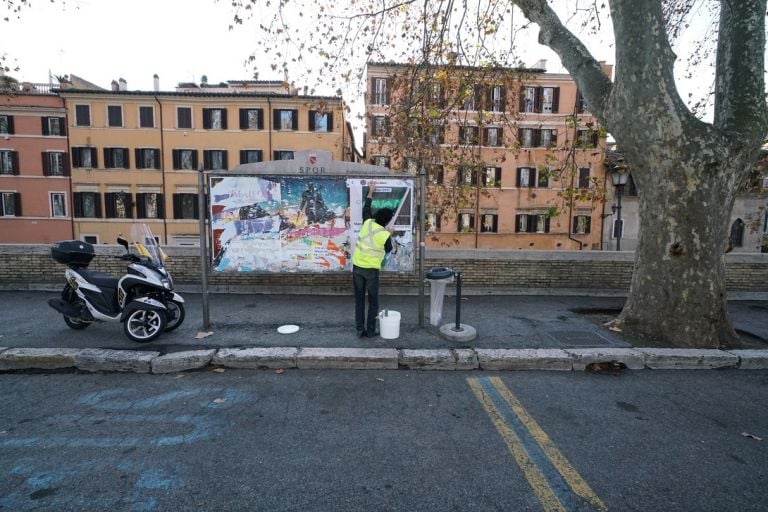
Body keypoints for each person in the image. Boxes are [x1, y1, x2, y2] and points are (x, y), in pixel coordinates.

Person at [352, 181, 394, 338]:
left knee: (359, 301)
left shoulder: (368, 223)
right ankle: (370, 330)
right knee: (373, 302)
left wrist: (370, 191)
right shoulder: (384, 235)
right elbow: (389, 250)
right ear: (387, 221)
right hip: (371, 272)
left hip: (357, 269)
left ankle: (359, 329)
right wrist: (391, 234)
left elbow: (366, 208)